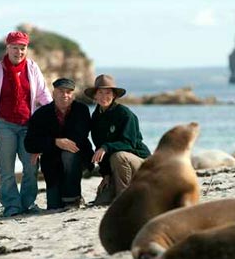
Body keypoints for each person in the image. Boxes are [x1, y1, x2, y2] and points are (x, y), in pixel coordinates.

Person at [0, 31, 52, 217]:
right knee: (7, 169)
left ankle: (28, 203)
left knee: (31, 166)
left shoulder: (32, 68)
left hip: (29, 125)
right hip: (4, 125)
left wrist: (52, 113)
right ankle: (12, 206)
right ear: (8, 48)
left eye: (22, 48)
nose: (19, 51)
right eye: (15, 47)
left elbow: (42, 94)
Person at [24, 78, 93, 210]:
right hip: (52, 164)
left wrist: (45, 144)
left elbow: (77, 139)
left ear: (73, 94)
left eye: (68, 92)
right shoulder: (41, 114)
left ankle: (73, 199)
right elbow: (29, 143)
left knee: (68, 153)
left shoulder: (81, 110)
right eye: (61, 91)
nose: (65, 95)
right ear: (53, 93)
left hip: (77, 158)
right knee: (54, 206)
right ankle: (66, 195)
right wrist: (55, 142)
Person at [86, 74, 151, 205]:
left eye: (108, 92)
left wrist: (106, 147)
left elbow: (128, 144)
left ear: (114, 95)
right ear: (95, 96)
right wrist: (106, 175)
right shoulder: (96, 117)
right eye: (100, 92)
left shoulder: (125, 114)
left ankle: (124, 201)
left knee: (118, 156)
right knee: (101, 201)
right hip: (118, 168)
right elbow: (99, 148)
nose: (104, 96)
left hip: (142, 165)